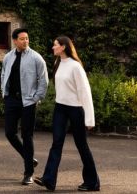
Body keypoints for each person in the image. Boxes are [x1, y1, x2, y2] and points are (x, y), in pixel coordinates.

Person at [34, 36, 100, 192]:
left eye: (55, 45)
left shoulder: (75, 66)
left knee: (82, 145)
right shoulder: (58, 63)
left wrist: (90, 119)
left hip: (76, 110)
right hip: (60, 108)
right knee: (56, 143)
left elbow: (85, 92)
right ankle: (49, 179)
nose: (53, 47)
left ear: (63, 47)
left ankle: (92, 182)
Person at [0, 27, 49, 186]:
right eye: (22, 39)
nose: (25, 41)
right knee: (9, 133)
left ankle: (28, 173)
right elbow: (3, 74)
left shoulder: (36, 58)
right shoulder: (8, 57)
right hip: (11, 100)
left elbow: (43, 80)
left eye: (27, 38)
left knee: (27, 136)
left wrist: (37, 97)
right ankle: (29, 158)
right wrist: (4, 93)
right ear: (15, 41)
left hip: (28, 101)